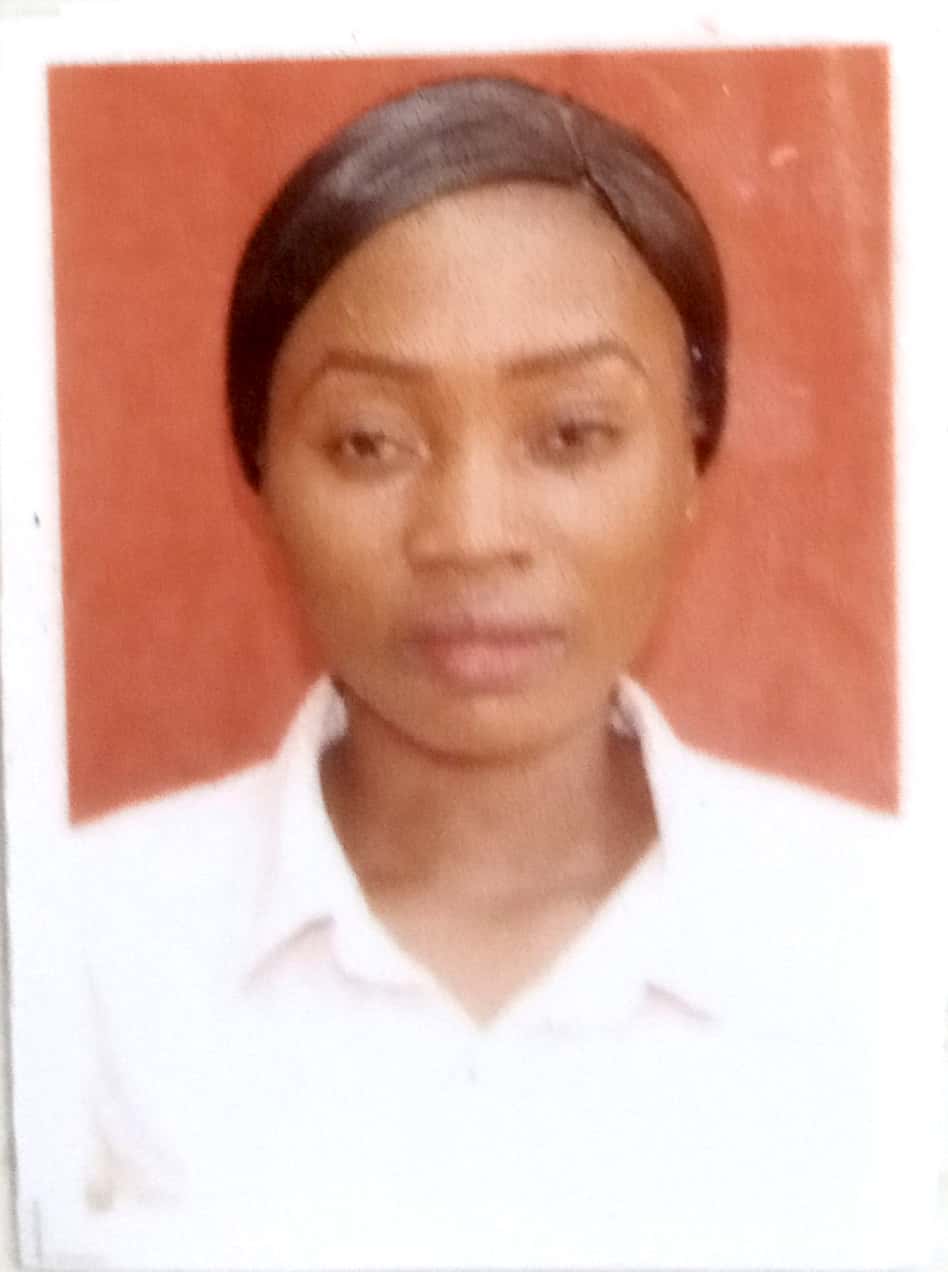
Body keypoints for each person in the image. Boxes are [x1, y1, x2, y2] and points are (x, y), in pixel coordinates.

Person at [48, 75, 911, 1269]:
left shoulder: (894, 937)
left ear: (693, 457)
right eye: (369, 442)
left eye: (571, 433)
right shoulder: (73, 949)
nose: (469, 534)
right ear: (262, 478)